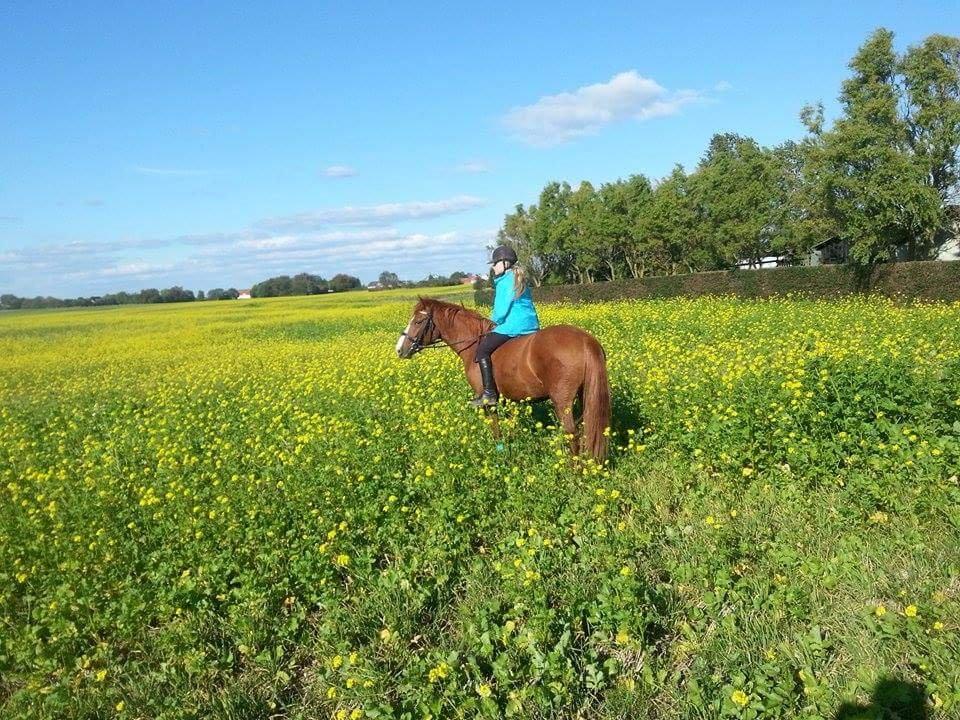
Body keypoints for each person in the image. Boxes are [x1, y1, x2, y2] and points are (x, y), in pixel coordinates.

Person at [471, 245, 540, 407]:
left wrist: (493, 321)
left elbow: (501, 311)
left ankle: (489, 393)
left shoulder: (505, 281)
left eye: (495, 263)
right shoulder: (520, 278)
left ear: (504, 263)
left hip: (513, 326)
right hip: (531, 326)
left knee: (482, 350)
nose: (493, 267)